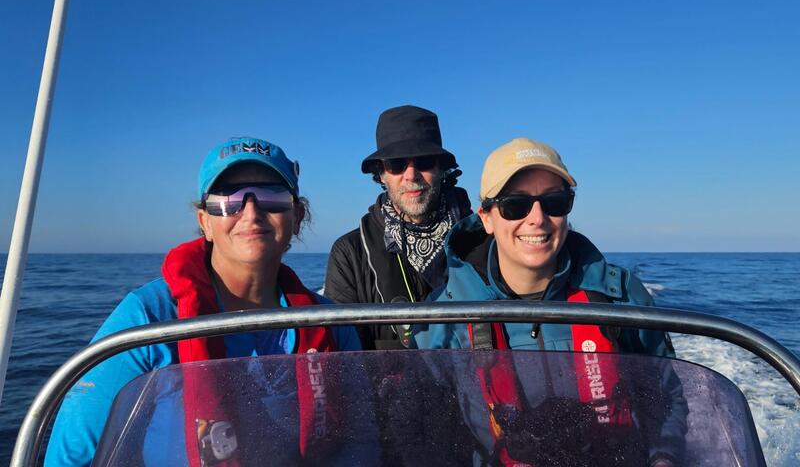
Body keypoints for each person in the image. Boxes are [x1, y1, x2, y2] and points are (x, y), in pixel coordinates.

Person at [45, 137, 362, 467]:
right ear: (204, 222)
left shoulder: (331, 326)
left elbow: (359, 444)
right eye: (228, 200)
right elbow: (72, 455)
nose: (251, 213)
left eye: (272, 197)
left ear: (297, 216)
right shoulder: (148, 319)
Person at [413, 138, 687, 467]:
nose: (538, 218)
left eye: (555, 202)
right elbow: (427, 430)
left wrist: (664, 458)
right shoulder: (444, 320)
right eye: (515, 205)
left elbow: (666, 395)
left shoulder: (620, 297)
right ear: (486, 217)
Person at [324, 105, 472, 349]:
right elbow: (344, 351)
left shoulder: (479, 238)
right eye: (396, 164)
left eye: (424, 162)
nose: (411, 174)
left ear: (441, 169)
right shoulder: (349, 253)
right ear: (381, 173)